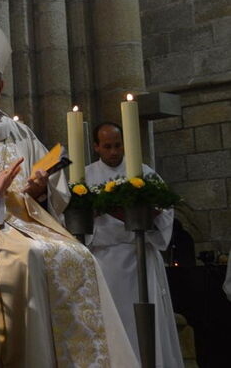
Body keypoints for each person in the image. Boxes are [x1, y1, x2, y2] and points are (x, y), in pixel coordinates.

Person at [0, 11, 138, 367]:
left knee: (80, 257)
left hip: (35, 226)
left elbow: (52, 189)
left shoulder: (19, 133)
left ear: (0, 86)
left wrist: (40, 190)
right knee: (30, 259)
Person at [85, 122, 183, 368]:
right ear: (97, 147)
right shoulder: (85, 176)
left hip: (140, 256)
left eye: (118, 145)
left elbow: (165, 209)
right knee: (114, 320)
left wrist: (150, 216)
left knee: (148, 322)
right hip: (105, 261)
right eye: (107, 146)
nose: (114, 151)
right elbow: (74, 216)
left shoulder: (144, 172)